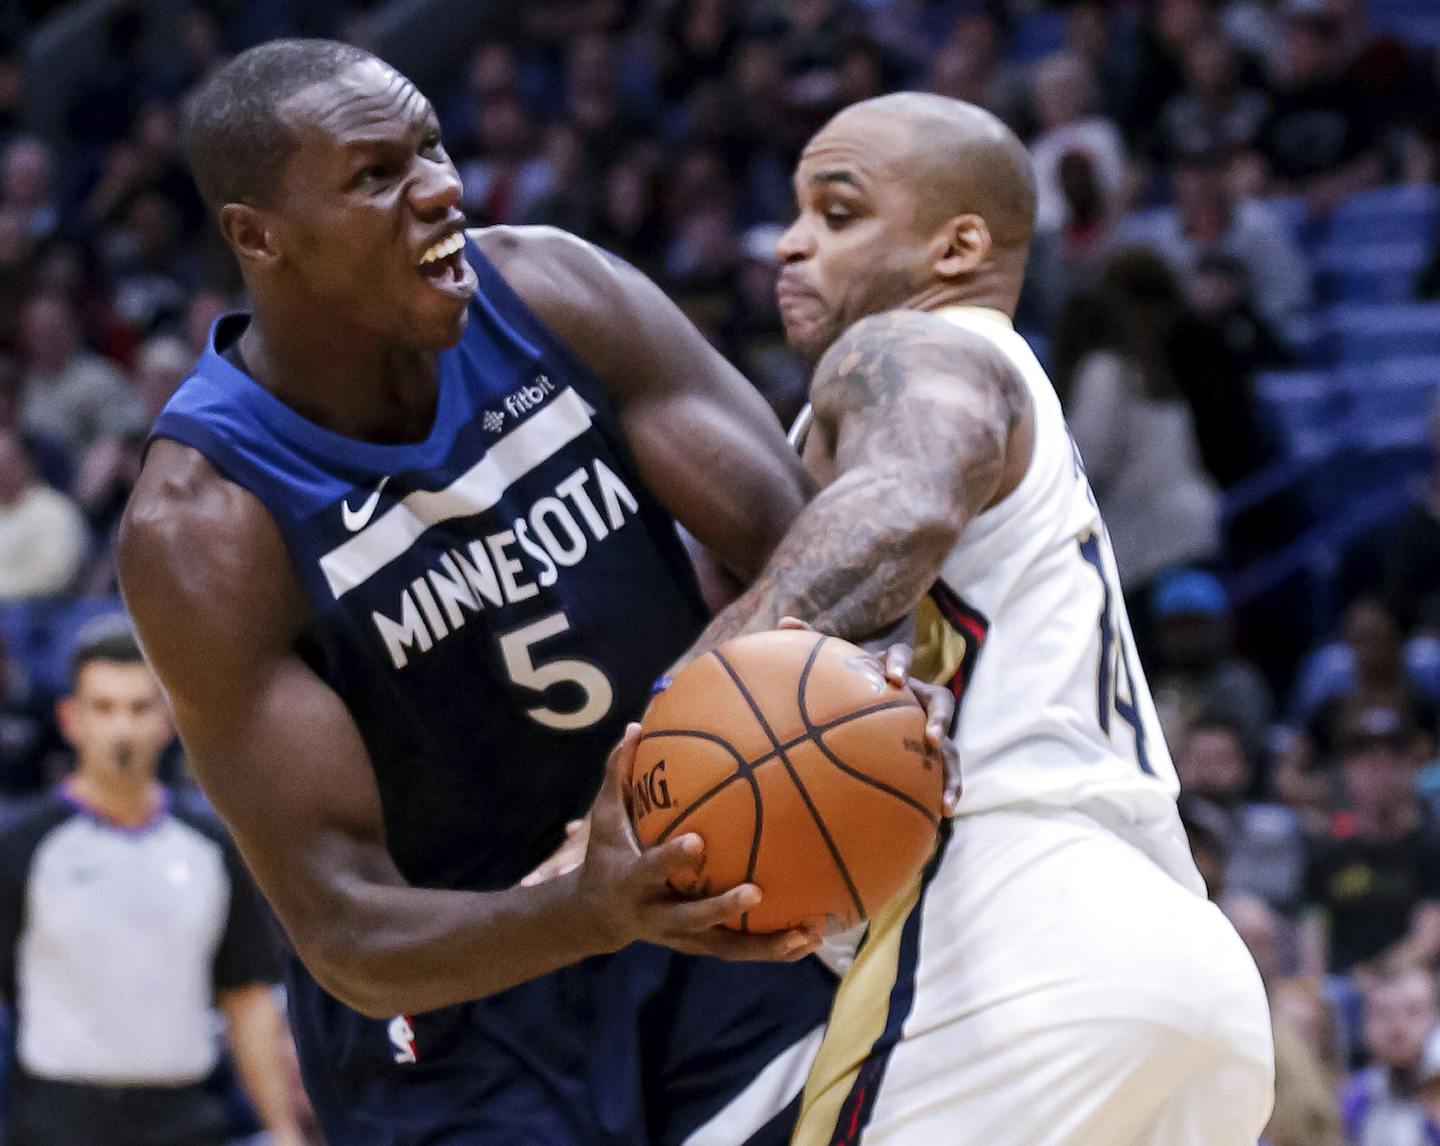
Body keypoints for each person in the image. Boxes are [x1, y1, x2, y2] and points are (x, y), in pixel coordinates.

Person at [118, 40, 954, 1146]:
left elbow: (807, 552)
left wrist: (863, 691)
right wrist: (583, 906)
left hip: (714, 883)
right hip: (464, 1007)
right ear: (257, 236)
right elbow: (345, 929)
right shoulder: (207, 526)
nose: (442, 188)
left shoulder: (556, 293)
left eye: (431, 147)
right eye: (376, 177)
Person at [684, 91, 1273, 1144]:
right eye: (797, 210)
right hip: (1183, 964)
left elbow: (904, 502)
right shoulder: (1010, 394)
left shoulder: (922, 348)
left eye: (839, 211)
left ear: (958, 246)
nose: (790, 240)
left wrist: (658, 747)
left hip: (1002, 942)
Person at [0, 623, 300, 1146]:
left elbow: (246, 998)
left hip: (185, 1116)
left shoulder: (213, 848)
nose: (123, 728)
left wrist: (282, 1129)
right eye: (104, 707)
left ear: (168, 718)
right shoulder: (24, 845)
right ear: (71, 719)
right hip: (56, 1117)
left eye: (140, 708)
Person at [1299, 705, 1440, 977]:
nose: (1380, 766)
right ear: (1347, 768)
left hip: (1410, 982)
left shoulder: (1429, 848)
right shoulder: (1326, 850)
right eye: (1365, 755)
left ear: (1412, 764)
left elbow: (1428, 939)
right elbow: (1312, 936)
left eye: (1394, 754)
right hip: (1338, 987)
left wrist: (1371, 977)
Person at [1341, 964, 1440, 1146]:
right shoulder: (1354, 1097)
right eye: (1384, 1013)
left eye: (1413, 1011)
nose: (1398, 1026)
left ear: (1435, 1016)